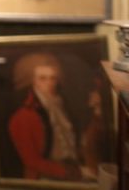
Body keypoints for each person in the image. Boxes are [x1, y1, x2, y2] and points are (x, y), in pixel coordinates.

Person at [8, 53, 98, 181]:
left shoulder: (62, 105)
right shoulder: (24, 116)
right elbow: (32, 161)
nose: (49, 83)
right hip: (45, 178)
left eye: (53, 78)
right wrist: (76, 172)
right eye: (43, 78)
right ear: (32, 80)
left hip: (73, 170)